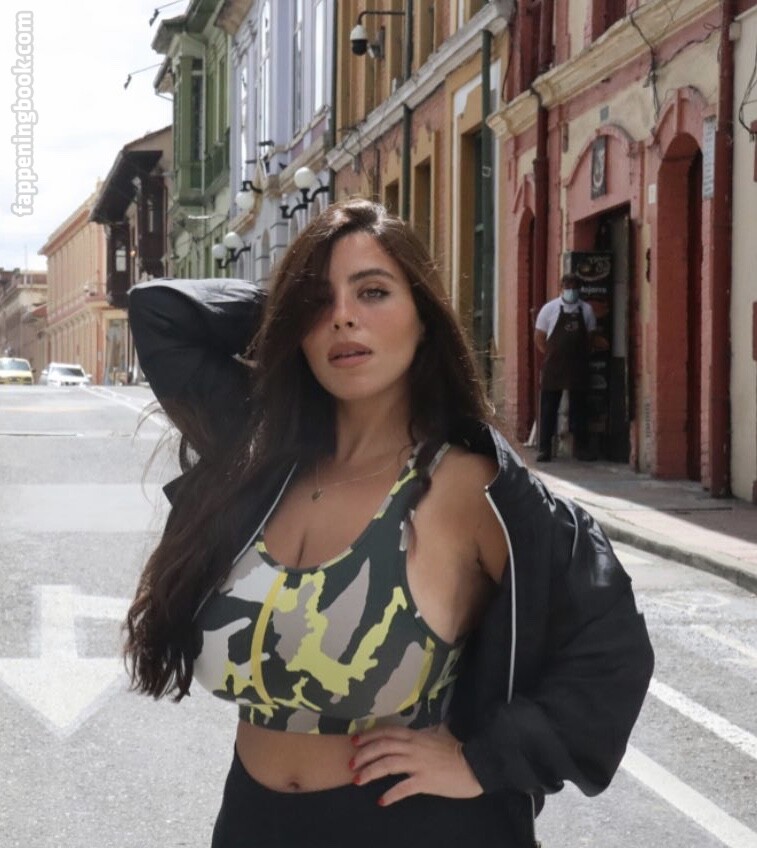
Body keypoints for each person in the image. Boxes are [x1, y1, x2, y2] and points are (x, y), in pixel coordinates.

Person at [124, 199, 653, 848]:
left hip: (412, 827)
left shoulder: (466, 488)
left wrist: (482, 763)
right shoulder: (267, 467)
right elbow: (160, 312)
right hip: (249, 823)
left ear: (424, 318)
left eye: (373, 292)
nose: (344, 316)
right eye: (319, 302)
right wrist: (294, 310)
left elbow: (610, 643)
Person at [534, 273, 598, 462]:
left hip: (578, 365)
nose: (571, 291)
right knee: (548, 407)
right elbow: (539, 337)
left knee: (579, 408)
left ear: (579, 289)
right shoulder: (549, 309)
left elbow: (591, 337)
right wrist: (551, 353)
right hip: (554, 366)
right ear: (561, 288)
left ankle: (581, 448)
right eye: (568, 287)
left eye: (574, 287)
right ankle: (545, 448)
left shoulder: (586, 310)